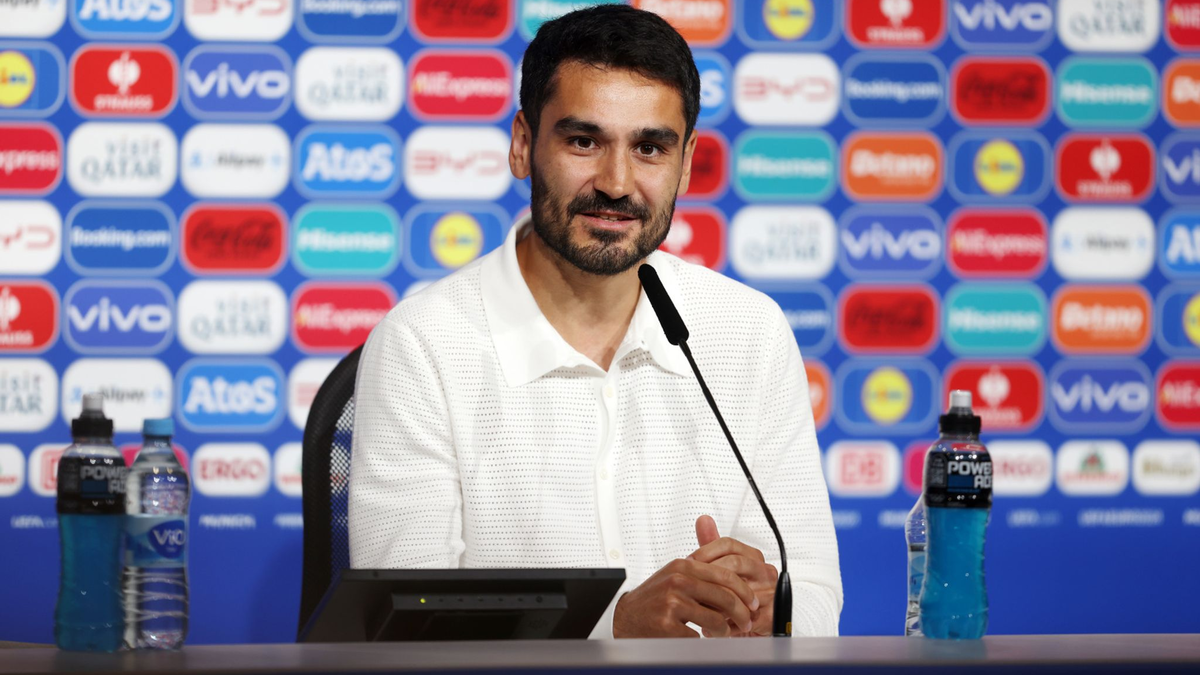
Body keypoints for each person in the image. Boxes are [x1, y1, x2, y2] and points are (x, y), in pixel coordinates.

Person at [348, 4, 841, 638]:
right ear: (524, 144)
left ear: (686, 162)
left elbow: (819, 594)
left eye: (649, 147)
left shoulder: (750, 331)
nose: (616, 183)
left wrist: (777, 612)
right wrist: (616, 629)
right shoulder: (422, 345)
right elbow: (406, 633)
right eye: (584, 141)